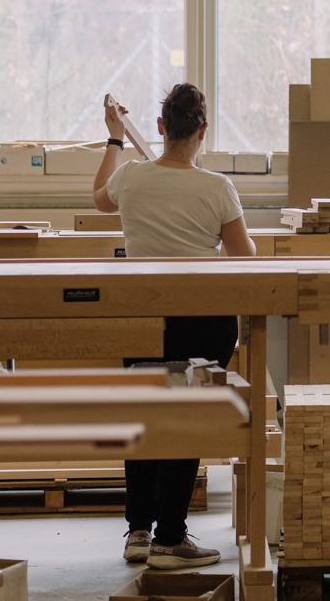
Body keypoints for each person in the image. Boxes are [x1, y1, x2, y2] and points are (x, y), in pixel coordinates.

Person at [93, 83, 255, 569]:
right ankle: (170, 537)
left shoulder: (132, 179)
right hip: (202, 321)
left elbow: (99, 199)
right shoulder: (216, 188)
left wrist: (115, 138)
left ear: (161, 127)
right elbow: (243, 259)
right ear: (202, 131)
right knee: (183, 418)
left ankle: (138, 532)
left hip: (141, 316)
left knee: (145, 417)